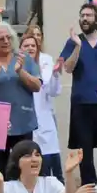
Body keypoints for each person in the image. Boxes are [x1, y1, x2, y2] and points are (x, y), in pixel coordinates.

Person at [0, 22, 42, 186]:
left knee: (22, 165)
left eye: (9, 38)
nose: (6, 41)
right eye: (1, 39)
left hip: (23, 120)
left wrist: (20, 71)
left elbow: (37, 86)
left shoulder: (24, 58)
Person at [59, 2, 97, 187]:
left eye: (88, 15)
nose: (84, 19)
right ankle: (88, 188)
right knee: (85, 150)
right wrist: (77, 47)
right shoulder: (73, 42)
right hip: (81, 104)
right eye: (82, 16)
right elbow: (68, 67)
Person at [20, 31, 64, 181]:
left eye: (33, 45)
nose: (30, 48)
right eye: (26, 45)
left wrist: (55, 75)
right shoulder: (16, 67)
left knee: (52, 170)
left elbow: (53, 91)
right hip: (24, 123)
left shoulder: (45, 62)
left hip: (44, 122)